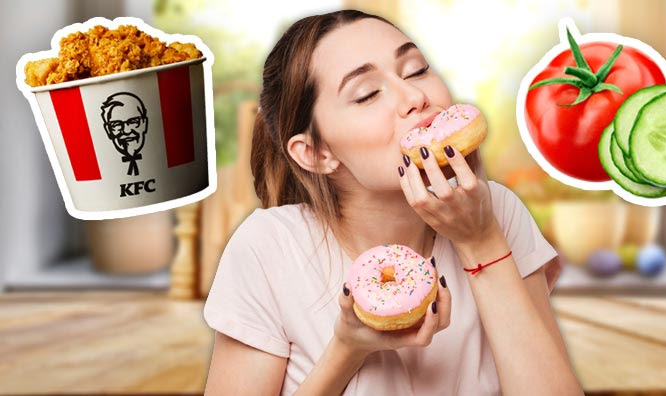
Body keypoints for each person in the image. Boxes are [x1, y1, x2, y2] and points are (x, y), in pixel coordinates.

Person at [203, 9, 583, 396]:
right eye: (367, 94)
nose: (415, 97)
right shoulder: (269, 248)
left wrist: (481, 242)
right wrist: (347, 349)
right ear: (316, 153)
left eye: (416, 70)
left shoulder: (495, 211)